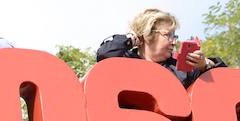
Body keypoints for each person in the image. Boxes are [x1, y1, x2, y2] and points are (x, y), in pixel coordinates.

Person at [95, 8, 224, 87]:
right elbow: (104, 54)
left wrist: (205, 65)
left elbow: (225, 83)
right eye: (168, 35)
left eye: (175, 36)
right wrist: (133, 37)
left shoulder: (182, 69)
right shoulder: (125, 60)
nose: (174, 42)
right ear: (147, 34)